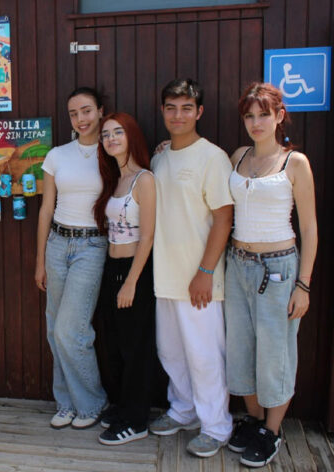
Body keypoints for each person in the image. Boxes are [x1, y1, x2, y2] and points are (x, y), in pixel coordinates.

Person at [225, 82, 317, 467]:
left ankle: (272, 431)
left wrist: (303, 285)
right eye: (249, 115)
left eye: (264, 114)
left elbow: (309, 227)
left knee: (275, 352)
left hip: (278, 269)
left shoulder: (294, 163)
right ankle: (255, 420)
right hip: (237, 264)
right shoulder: (238, 156)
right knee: (241, 348)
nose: (256, 122)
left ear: (279, 116)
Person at [148, 78, 234, 457]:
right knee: (171, 352)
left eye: (186, 108)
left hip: (200, 279)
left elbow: (223, 219)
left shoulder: (212, 157)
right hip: (165, 276)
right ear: (162, 111)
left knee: (204, 356)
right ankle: (184, 410)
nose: (178, 115)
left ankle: (216, 426)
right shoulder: (159, 158)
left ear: (199, 112)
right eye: (171, 108)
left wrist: (206, 272)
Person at [35, 87, 110, 430]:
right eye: (74, 113)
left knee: (72, 329)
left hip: (91, 246)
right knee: (55, 329)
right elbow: (46, 209)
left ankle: (92, 402)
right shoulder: (57, 155)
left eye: (87, 111)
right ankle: (65, 403)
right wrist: (39, 260)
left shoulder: (111, 151)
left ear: (100, 111)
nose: (81, 119)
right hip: (57, 243)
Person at [93, 113, 157, 445]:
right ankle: (122, 407)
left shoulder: (144, 179)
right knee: (115, 345)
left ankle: (136, 420)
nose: (111, 139)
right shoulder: (115, 179)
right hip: (112, 267)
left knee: (136, 348)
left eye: (118, 132)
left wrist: (131, 281)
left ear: (131, 135)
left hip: (135, 271)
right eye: (106, 134)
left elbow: (147, 236)